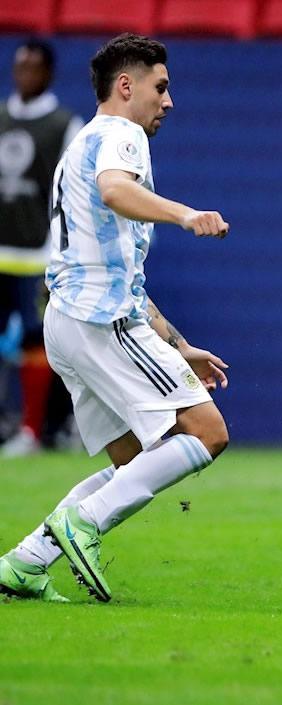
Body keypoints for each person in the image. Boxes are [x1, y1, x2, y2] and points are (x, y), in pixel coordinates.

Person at [0, 34, 231, 604]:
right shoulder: (121, 135)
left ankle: (26, 562)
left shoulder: (80, 143)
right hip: (101, 323)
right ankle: (85, 524)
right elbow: (114, 191)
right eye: (161, 87)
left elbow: (119, 267)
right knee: (206, 432)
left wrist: (178, 345)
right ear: (126, 87)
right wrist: (185, 214)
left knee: (135, 461)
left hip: (71, 321)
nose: (168, 102)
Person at [0, 40, 83, 456]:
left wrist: (61, 250)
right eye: (19, 67)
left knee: (40, 341)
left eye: (33, 68)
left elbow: (71, 191)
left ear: (49, 73)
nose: (24, 75)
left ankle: (36, 430)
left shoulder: (64, 124)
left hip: (37, 254)